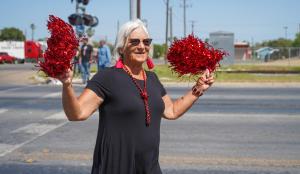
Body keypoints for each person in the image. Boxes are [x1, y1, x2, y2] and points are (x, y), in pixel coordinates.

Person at [57, 19, 214, 174]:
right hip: (115, 167)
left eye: (146, 42)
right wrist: (67, 85)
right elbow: (76, 114)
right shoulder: (107, 77)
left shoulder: (152, 78)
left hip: (149, 167)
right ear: (121, 48)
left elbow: (172, 111)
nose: (141, 46)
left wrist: (198, 89)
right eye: (134, 42)